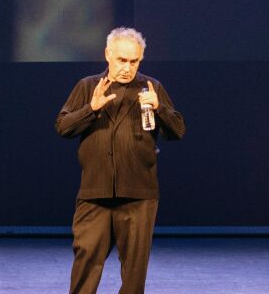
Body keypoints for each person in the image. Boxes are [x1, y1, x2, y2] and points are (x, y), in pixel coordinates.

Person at [56, 28, 185, 294]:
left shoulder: (151, 87)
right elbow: (63, 128)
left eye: (134, 61)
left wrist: (159, 108)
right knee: (86, 262)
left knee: (134, 272)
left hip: (139, 195)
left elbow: (178, 131)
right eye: (122, 60)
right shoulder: (88, 86)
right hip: (95, 193)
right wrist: (91, 109)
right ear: (108, 54)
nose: (127, 68)